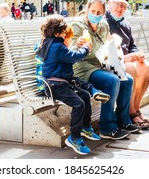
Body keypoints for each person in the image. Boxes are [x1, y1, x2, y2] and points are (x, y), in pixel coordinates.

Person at [71, 0, 140, 141]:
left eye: (99, 13)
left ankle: (124, 120)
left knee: (127, 79)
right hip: (82, 68)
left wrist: (111, 42)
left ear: (103, 13)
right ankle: (107, 128)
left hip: (100, 65)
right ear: (87, 8)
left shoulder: (103, 25)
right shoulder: (77, 25)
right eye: (93, 11)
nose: (95, 15)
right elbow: (69, 49)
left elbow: (106, 48)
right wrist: (77, 45)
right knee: (112, 80)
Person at [35, 15, 100, 155]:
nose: (65, 34)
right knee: (78, 104)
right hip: (55, 86)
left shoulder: (50, 43)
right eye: (64, 32)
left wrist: (77, 48)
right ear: (58, 32)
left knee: (84, 95)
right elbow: (72, 57)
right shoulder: (56, 46)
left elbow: (67, 54)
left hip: (58, 83)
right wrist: (85, 49)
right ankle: (75, 137)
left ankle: (86, 127)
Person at [105, 0, 149, 129]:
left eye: (124, 6)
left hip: (126, 61)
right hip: (111, 62)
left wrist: (138, 54)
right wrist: (127, 57)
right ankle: (130, 112)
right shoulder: (103, 23)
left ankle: (136, 109)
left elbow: (131, 45)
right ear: (109, 4)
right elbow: (105, 52)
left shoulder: (126, 24)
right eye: (117, 5)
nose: (120, 9)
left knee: (147, 66)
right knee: (131, 68)